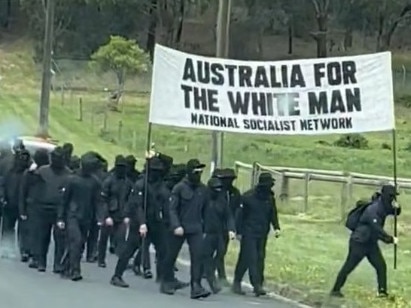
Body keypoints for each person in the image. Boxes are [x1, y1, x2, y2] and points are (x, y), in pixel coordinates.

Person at [330, 184, 401, 298]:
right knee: (349, 267)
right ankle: (335, 290)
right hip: (359, 242)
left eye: (394, 197)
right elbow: (376, 229)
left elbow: (395, 212)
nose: (393, 199)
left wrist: (397, 208)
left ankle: (382, 292)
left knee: (380, 266)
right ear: (386, 196)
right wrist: (390, 239)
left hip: (370, 243)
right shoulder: (373, 209)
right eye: (391, 196)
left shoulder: (384, 205)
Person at [111, 156, 169, 287]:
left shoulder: (160, 185)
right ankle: (117, 275)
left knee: (163, 250)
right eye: (154, 170)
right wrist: (142, 223)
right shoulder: (140, 185)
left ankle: (164, 278)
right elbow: (137, 205)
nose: (157, 173)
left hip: (155, 222)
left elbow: (164, 203)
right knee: (129, 249)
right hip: (139, 223)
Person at [160, 159, 211, 299]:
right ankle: (166, 281)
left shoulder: (203, 189)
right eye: (196, 172)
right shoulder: (179, 188)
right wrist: (176, 225)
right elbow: (172, 209)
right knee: (171, 256)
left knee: (198, 256)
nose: (199, 175)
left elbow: (206, 211)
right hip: (180, 227)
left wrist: (205, 228)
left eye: (200, 172)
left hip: (196, 228)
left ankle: (196, 285)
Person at [233, 172, 281, 297]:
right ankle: (256, 285)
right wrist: (238, 232)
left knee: (257, 257)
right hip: (248, 232)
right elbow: (240, 216)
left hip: (262, 232)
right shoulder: (248, 197)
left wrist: (276, 227)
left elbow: (273, 213)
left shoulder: (269, 198)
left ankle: (238, 281)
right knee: (252, 258)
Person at [57, 154, 102, 281]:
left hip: (86, 217)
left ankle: (66, 266)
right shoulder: (72, 180)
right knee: (76, 241)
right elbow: (64, 200)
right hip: (73, 215)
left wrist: (99, 217)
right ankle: (75, 270)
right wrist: (60, 218)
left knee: (80, 244)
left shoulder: (95, 182)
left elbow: (98, 201)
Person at [97, 155, 133, 268]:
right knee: (103, 238)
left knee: (121, 239)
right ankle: (101, 259)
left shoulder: (128, 183)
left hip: (122, 214)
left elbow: (130, 200)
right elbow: (103, 200)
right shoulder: (109, 181)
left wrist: (128, 215)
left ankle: (122, 261)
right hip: (110, 213)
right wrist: (106, 216)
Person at [202, 177, 236, 294]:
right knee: (207, 256)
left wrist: (231, 229)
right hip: (206, 232)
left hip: (219, 233)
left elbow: (228, 215)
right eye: (215, 188)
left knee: (221, 253)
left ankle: (209, 273)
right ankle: (212, 282)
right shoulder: (203, 199)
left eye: (219, 188)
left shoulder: (222, 201)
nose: (218, 190)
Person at [19, 148, 49, 268]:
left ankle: (29, 251)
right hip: (34, 205)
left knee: (31, 231)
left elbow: (22, 192)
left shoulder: (33, 172)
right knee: (34, 231)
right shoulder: (33, 173)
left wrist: (22, 208)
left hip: (33, 205)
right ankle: (29, 251)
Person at [212, 168, 241, 285]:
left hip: (226, 227)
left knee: (221, 251)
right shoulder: (215, 192)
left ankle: (219, 275)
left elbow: (236, 211)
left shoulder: (235, 193)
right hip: (213, 225)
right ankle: (212, 272)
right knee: (213, 251)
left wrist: (233, 227)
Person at [1, 149, 31, 259]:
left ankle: (24, 250)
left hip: (23, 204)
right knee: (8, 227)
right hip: (10, 202)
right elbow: (3, 184)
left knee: (23, 229)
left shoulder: (28, 174)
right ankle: (7, 247)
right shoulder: (11, 171)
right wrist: (3, 197)